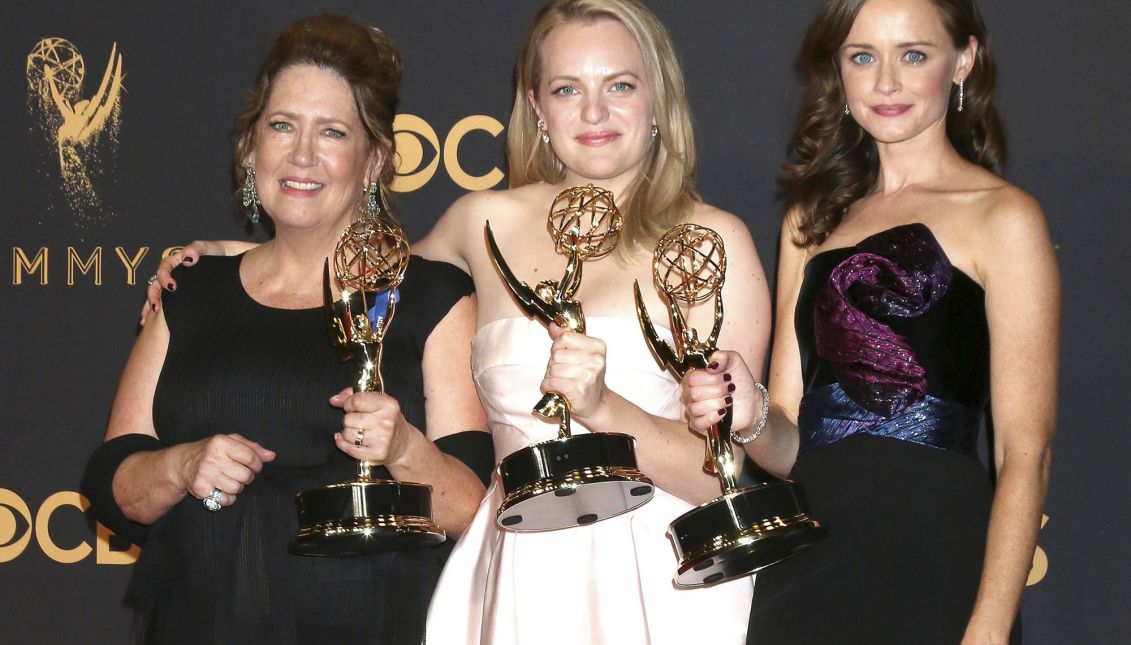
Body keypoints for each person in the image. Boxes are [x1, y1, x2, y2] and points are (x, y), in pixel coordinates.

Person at [145, 2, 769, 642]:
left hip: (661, 578)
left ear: (658, 98)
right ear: (536, 107)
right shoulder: (480, 224)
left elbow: (714, 472)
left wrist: (606, 409)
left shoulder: (715, 242)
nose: (593, 112)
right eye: (566, 88)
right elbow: (356, 272)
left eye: (620, 85)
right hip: (517, 576)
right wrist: (225, 256)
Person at [82, 15, 492, 644]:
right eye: (282, 126)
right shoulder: (190, 290)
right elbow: (112, 485)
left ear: (374, 159)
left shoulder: (432, 297)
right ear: (251, 148)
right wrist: (181, 465)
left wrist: (405, 449)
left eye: (332, 132)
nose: (302, 155)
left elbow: (473, 511)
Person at [682, 1, 1058, 643]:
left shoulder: (1004, 218)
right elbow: (792, 450)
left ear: (962, 60)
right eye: (863, 56)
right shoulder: (809, 222)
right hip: (810, 564)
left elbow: (1027, 452)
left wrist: (989, 628)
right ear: (839, 71)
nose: (886, 82)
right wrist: (751, 414)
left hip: (938, 554)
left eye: (913, 54)